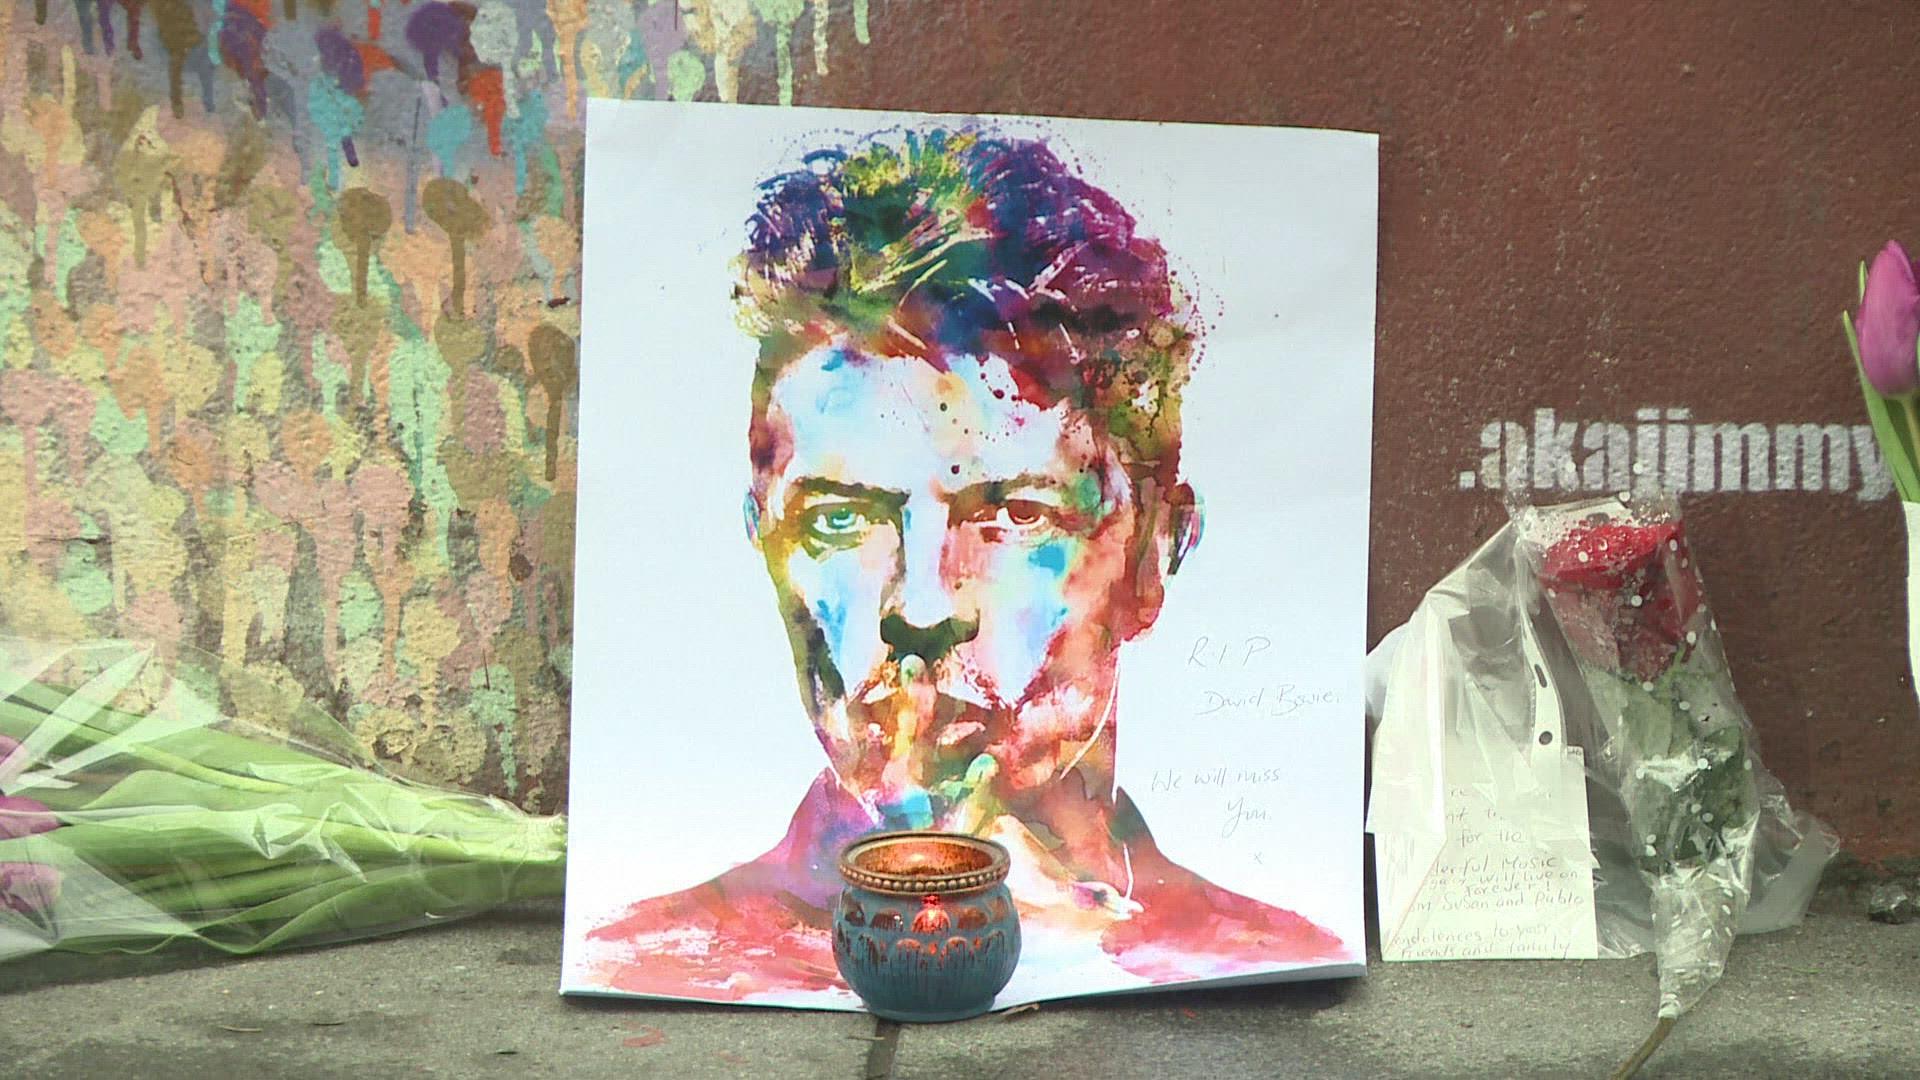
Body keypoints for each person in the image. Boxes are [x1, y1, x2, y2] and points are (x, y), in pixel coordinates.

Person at [583, 127, 1351, 1001]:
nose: (921, 605)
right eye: (842, 520)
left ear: (1153, 555)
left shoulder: (1263, 963)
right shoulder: (651, 963)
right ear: (767, 539)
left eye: (1016, 517)